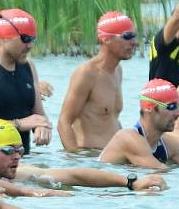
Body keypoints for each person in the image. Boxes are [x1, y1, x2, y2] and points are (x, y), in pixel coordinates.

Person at [0, 120, 166, 197]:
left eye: (20, 150)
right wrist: (36, 193)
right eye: (8, 150)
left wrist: (130, 182)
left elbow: (74, 175)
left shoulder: (20, 174)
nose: (16, 157)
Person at [58, 11, 136, 151]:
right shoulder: (86, 73)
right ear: (106, 39)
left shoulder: (118, 70)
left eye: (134, 36)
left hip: (111, 156)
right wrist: (76, 161)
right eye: (127, 37)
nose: (133, 42)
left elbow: (111, 119)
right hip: (89, 156)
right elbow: (64, 122)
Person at [0, 9, 50, 153]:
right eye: (25, 39)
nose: (30, 45)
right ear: (5, 36)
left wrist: (42, 127)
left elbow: (39, 115)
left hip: (22, 160)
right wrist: (18, 124)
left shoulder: (29, 66)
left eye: (33, 39)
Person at [98, 79, 179, 169]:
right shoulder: (127, 138)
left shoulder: (169, 143)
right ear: (149, 108)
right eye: (171, 106)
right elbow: (160, 171)